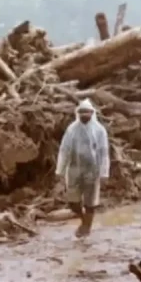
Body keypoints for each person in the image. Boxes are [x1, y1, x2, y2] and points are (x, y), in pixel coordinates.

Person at [56, 98, 110, 238]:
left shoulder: (99, 130)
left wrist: (104, 173)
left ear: (92, 113)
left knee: (90, 202)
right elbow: (64, 150)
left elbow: (104, 153)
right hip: (74, 169)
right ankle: (84, 220)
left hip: (92, 170)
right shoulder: (72, 129)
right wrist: (60, 170)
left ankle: (86, 227)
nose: (84, 115)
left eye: (87, 112)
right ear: (78, 113)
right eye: (82, 112)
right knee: (73, 201)